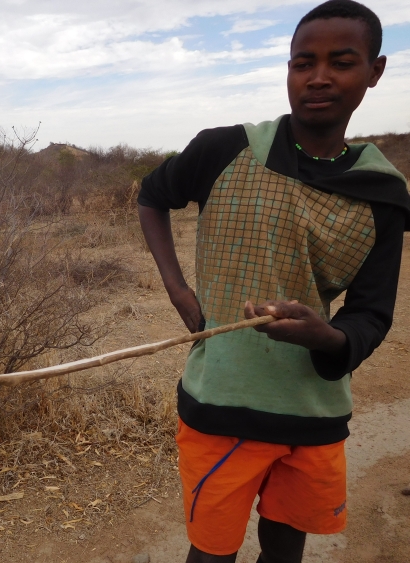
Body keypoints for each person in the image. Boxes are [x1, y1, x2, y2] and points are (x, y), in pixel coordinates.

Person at [137, 1, 410, 562]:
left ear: (375, 72)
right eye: (302, 62)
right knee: (211, 553)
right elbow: (151, 196)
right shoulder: (225, 149)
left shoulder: (382, 193)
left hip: (313, 413)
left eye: (342, 62)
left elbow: (371, 315)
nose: (319, 78)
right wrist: (178, 288)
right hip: (218, 407)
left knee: (284, 551)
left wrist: (325, 337)